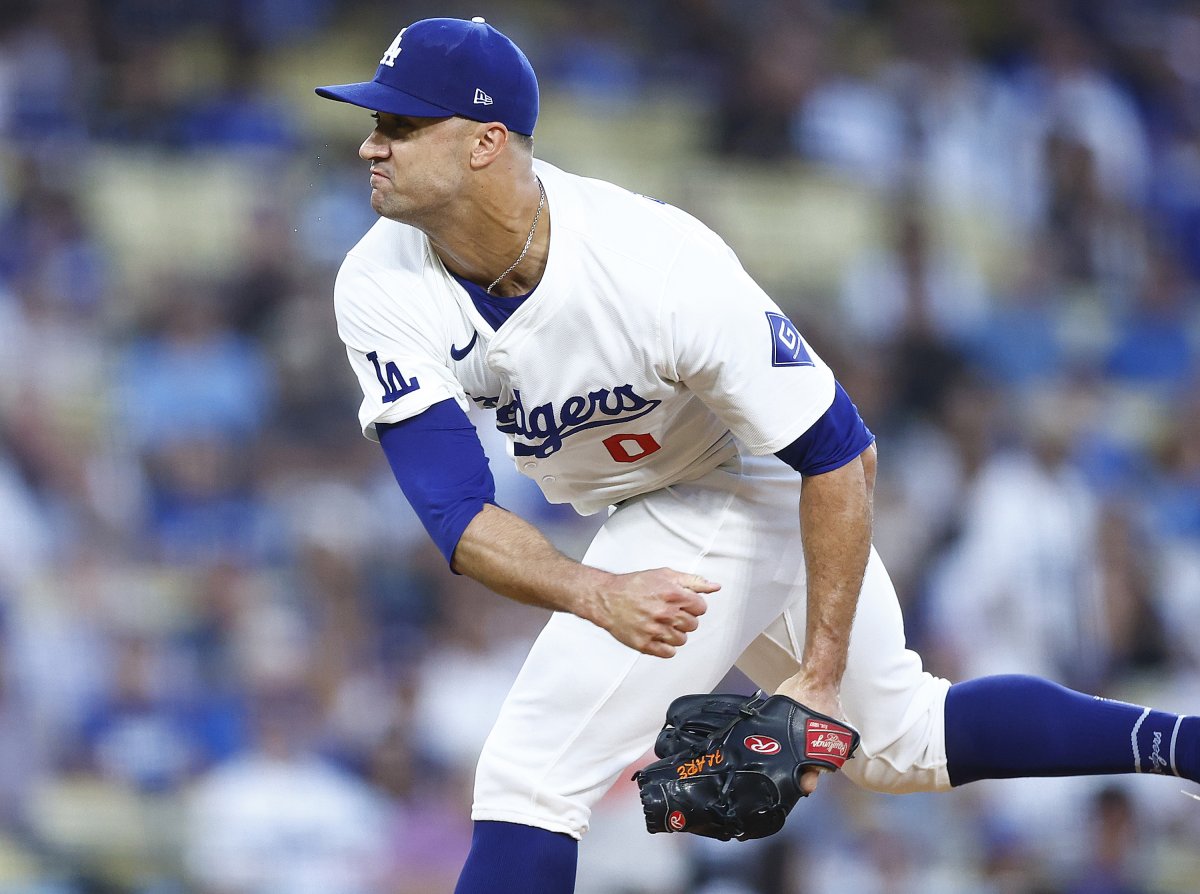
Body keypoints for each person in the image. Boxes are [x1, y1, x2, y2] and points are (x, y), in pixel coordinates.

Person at [314, 17, 1199, 893]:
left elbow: (842, 455)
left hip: (742, 476)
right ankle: (1185, 745)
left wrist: (816, 678)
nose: (370, 146)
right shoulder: (378, 281)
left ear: (485, 142)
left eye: (399, 125)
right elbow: (457, 518)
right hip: (646, 498)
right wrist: (597, 592)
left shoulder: (655, 264)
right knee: (903, 743)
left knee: (532, 778)